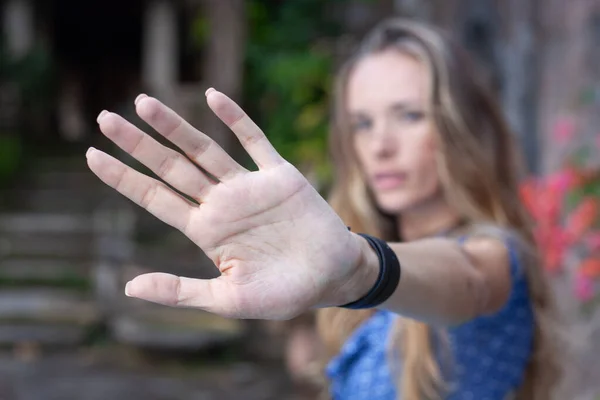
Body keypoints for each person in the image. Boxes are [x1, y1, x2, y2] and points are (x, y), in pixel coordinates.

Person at [86, 18, 561, 400]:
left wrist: (364, 271)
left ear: (463, 126)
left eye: (410, 115)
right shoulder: (353, 292)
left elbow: (466, 280)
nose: (380, 145)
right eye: (362, 123)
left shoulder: (495, 258)